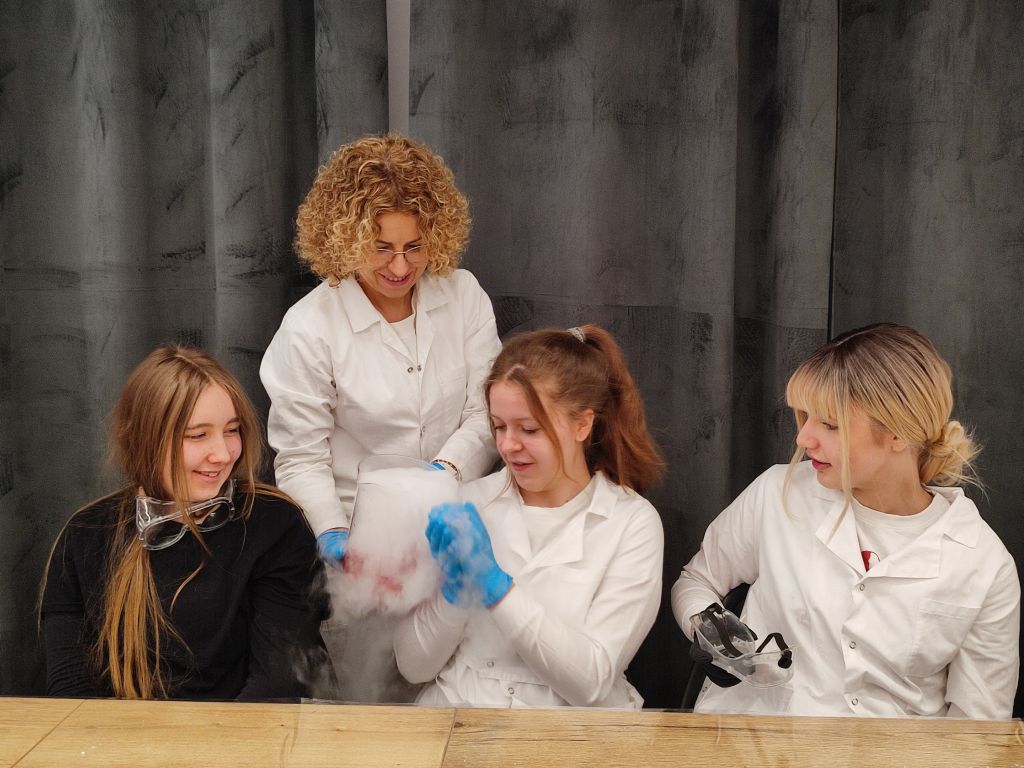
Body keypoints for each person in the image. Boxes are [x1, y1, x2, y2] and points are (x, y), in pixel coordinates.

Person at [672, 323, 1020, 718]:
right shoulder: (777, 493)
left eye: (830, 424)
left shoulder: (983, 564)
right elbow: (697, 581)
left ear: (898, 434)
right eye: (806, 417)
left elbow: (978, 727)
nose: (804, 438)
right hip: (755, 739)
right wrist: (711, 628)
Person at [393, 325, 665, 708]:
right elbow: (413, 668)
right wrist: (454, 595)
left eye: (529, 429)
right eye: (499, 426)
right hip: (458, 717)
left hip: (571, 733)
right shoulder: (467, 507)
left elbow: (590, 682)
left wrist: (496, 587)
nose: (507, 445)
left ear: (583, 424)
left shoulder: (631, 524)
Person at [259, 133, 500, 565]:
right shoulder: (309, 327)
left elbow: (487, 412)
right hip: (359, 530)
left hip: (458, 521)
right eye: (381, 248)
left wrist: (441, 476)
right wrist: (333, 534)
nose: (401, 266)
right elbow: (302, 459)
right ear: (346, 240)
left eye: (414, 246)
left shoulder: (464, 296)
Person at [41, 345, 329, 700]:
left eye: (232, 430)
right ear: (144, 438)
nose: (222, 454)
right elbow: (72, 693)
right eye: (197, 435)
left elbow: (276, 686)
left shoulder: (274, 524)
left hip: (248, 733)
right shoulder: (87, 534)